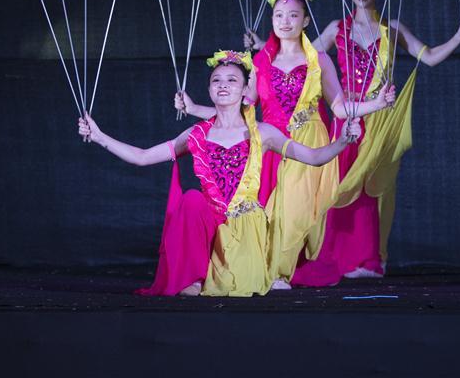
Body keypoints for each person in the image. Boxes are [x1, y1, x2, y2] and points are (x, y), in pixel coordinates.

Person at [246, 0, 460, 282]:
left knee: (372, 187)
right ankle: (332, 258)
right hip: (347, 117)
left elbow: (430, 56)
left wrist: (457, 38)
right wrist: (263, 48)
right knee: (338, 188)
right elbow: (301, 57)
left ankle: (369, 258)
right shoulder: (336, 29)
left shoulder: (392, 28)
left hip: (380, 119)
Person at [80, 50, 360, 296]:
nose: (223, 85)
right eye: (216, 80)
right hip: (210, 222)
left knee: (239, 286)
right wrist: (100, 136)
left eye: (231, 80)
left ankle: (227, 268)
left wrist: (344, 141)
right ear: (209, 89)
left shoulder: (263, 133)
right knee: (192, 199)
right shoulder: (196, 134)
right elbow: (142, 157)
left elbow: (313, 157)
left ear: (245, 90)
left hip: (245, 225)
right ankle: (192, 276)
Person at [179, 0, 394, 287]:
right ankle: (266, 270)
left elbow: (339, 108)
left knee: (294, 209)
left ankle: (278, 272)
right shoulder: (260, 63)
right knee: (269, 213)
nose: (285, 21)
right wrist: (193, 109)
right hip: (270, 145)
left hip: (309, 142)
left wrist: (377, 103)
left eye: (293, 15)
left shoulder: (319, 60)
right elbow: (240, 108)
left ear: (305, 21)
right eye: (279, 15)